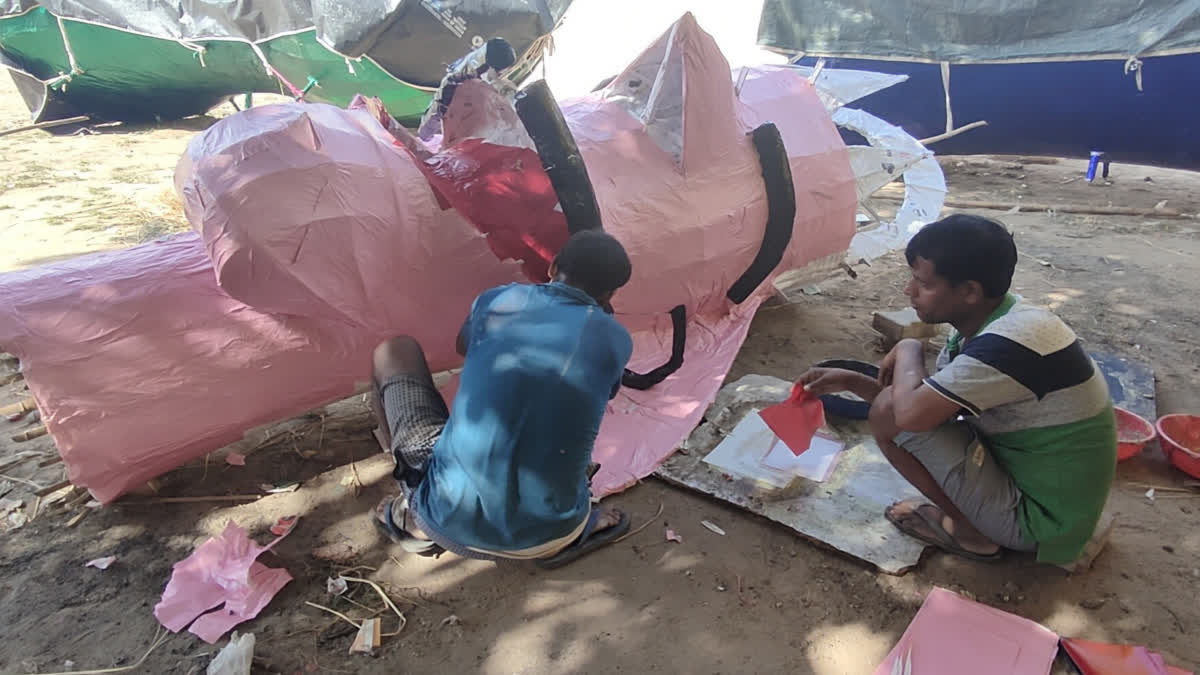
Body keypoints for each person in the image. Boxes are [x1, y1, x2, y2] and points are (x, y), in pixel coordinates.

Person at [801, 214, 1116, 564]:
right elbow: (928, 409)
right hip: (1039, 484)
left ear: (969, 291)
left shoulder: (1008, 346)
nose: (909, 291)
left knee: (888, 414)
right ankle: (976, 517)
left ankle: (973, 535)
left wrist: (909, 349)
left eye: (924, 283)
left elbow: (906, 414)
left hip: (1041, 521)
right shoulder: (995, 320)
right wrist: (850, 381)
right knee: (894, 407)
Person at [370, 230, 634, 568]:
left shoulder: (497, 301)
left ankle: (413, 508)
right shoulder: (616, 338)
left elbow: (464, 347)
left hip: (447, 520)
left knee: (394, 351)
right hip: (556, 532)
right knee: (556, 424)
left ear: (553, 268)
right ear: (611, 294)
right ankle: (573, 531)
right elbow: (606, 389)